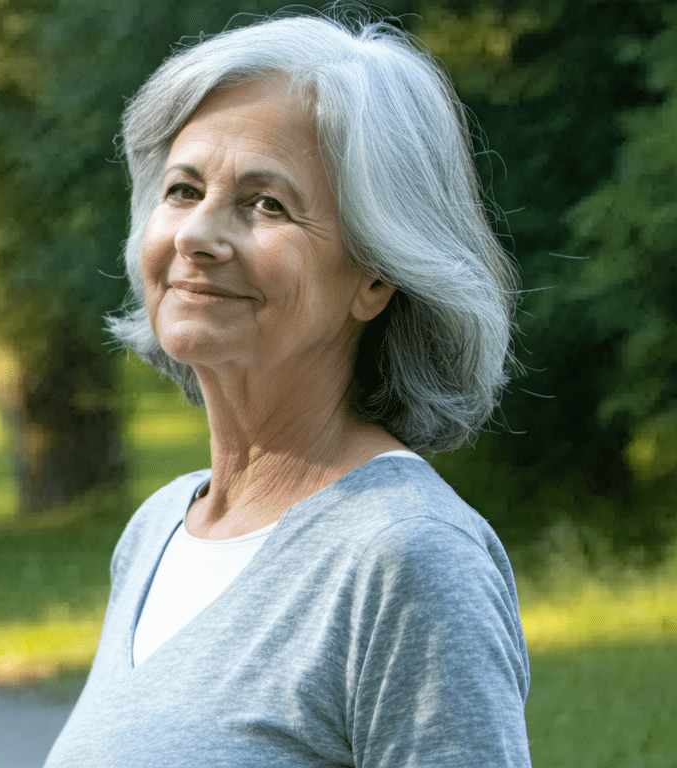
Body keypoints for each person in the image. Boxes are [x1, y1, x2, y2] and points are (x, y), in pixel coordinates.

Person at [44, 11, 530, 768]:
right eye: (183, 189)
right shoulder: (159, 530)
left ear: (374, 273)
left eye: (266, 205)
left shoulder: (407, 556)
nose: (198, 235)